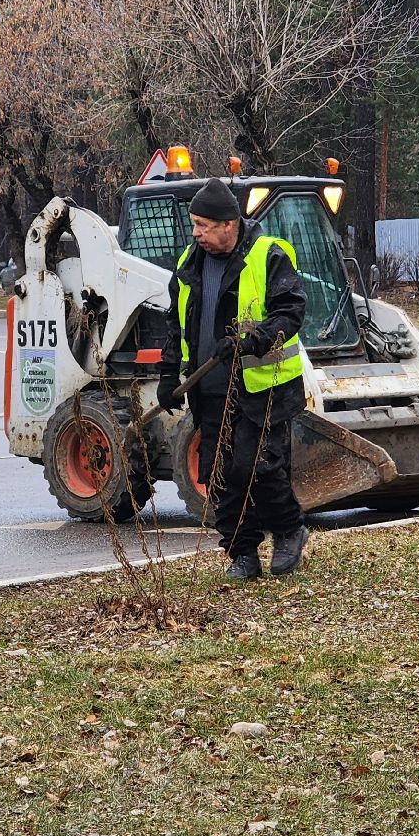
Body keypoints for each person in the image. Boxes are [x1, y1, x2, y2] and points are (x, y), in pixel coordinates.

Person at [158, 178, 310, 579]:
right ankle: (242, 553)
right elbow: (175, 325)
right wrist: (168, 375)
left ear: (229, 224)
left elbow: (290, 312)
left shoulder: (268, 255)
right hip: (210, 390)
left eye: (203, 225)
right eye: (194, 224)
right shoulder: (188, 263)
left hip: (263, 388)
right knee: (219, 475)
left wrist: (251, 340)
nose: (196, 233)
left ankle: (289, 530)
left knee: (256, 466)